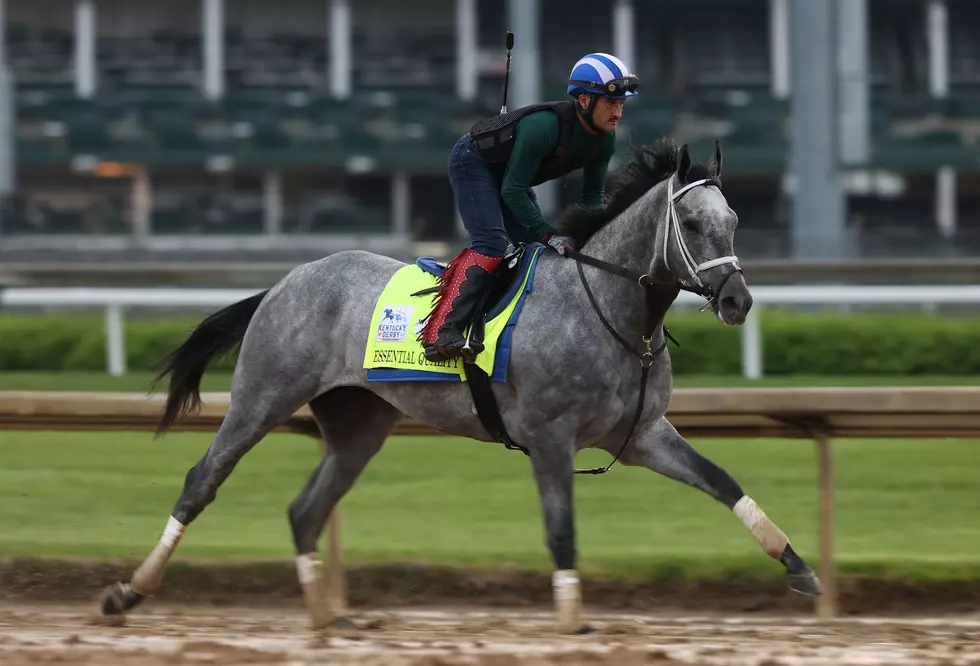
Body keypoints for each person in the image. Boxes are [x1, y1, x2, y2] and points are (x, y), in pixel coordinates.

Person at [419, 52, 639, 362]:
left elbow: (592, 201)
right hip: (474, 162)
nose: (617, 113)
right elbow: (512, 189)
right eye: (610, 103)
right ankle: (441, 332)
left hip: (511, 179)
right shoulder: (543, 128)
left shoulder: (604, 140)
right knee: (492, 246)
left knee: (538, 251)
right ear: (586, 101)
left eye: (621, 105)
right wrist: (550, 234)